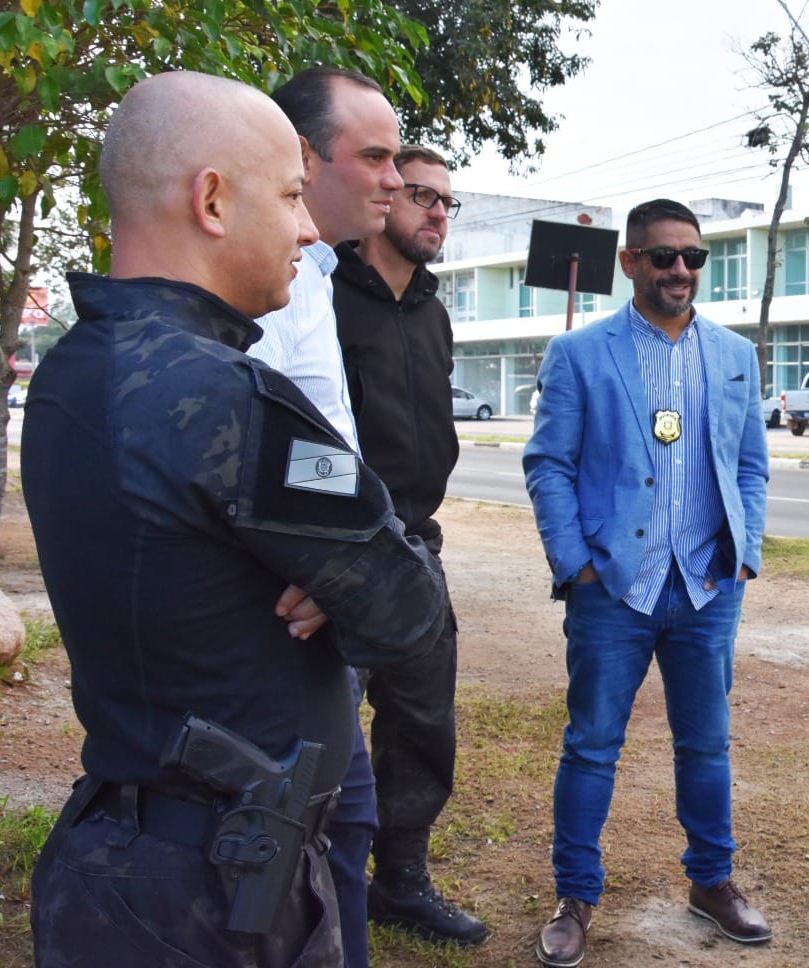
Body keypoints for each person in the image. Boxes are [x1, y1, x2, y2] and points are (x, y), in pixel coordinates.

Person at [22, 71, 447, 966]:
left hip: (118, 854)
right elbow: (408, 606)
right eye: (292, 194)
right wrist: (348, 573)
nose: (304, 226)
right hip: (224, 893)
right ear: (212, 200)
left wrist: (340, 568)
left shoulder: (68, 371)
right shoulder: (228, 396)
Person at [523, 198, 771, 967]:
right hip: (614, 590)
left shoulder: (733, 354)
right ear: (630, 262)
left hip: (705, 586)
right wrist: (577, 566)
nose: (680, 270)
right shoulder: (581, 354)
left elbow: (751, 464)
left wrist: (744, 551)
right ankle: (575, 895)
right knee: (593, 745)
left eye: (693, 257)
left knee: (707, 744)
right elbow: (548, 465)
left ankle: (712, 882)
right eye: (664, 256)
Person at [330, 144, 484, 945]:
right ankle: (311, 880)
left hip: (417, 549)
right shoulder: (321, 298)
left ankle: (401, 882)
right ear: (382, 196)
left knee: (422, 725)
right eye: (421, 195)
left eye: (445, 202)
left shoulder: (433, 309)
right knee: (321, 726)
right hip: (342, 551)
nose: (436, 212)